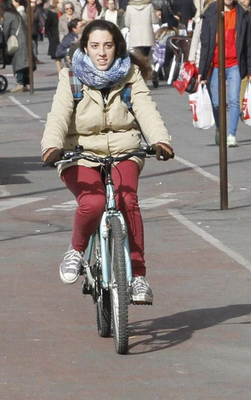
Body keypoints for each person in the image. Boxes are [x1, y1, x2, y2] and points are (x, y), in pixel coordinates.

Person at [39, 19, 174, 305]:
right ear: (85, 48)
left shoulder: (130, 74)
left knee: (128, 202)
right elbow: (59, 114)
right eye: (95, 46)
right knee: (94, 203)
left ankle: (138, 277)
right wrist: (51, 147)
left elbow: (146, 109)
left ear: (117, 48)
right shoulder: (72, 77)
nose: (102, 53)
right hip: (80, 152)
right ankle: (76, 250)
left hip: (124, 149)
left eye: (108, 46)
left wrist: (161, 140)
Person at [197, 0, 251, 147]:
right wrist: (202, 71)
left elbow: (248, 45)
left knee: (234, 100)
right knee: (216, 102)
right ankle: (219, 128)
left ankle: (231, 134)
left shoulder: (242, 14)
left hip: (234, 63)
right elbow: (206, 44)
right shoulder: (211, 13)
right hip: (215, 64)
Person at [0, 0, 33, 92]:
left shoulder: (7, 14)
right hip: (24, 39)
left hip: (18, 40)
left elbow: (6, 29)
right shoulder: (15, 13)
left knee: (19, 62)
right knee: (24, 62)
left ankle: (19, 83)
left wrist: (4, 39)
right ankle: (24, 83)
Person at [123, 0, 156, 72]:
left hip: (135, 36)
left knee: (138, 58)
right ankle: (150, 71)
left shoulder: (129, 7)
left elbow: (127, 23)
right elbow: (155, 20)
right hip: (147, 36)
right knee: (147, 56)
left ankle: (142, 73)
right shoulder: (149, 6)